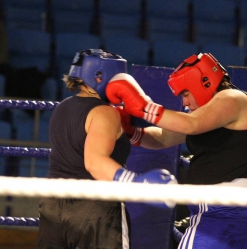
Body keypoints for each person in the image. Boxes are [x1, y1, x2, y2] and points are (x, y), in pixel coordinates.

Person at [106, 52, 247, 249]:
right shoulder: (209, 114)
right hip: (219, 212)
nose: (184, 102)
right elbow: (164, 137)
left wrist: (143, 107)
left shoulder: (232, 99)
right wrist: (133, 132)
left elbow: (189, 125)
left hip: (228, 212)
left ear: (205, 82)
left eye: (185, 94)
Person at [36, 49, 177, 249]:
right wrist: (137, 183)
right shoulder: (105, 113)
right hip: (95, 207)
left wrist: (134, 133)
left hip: (53, 204)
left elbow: (158, 139)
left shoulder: (62, 107)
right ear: (100, 76)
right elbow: (94, 163)